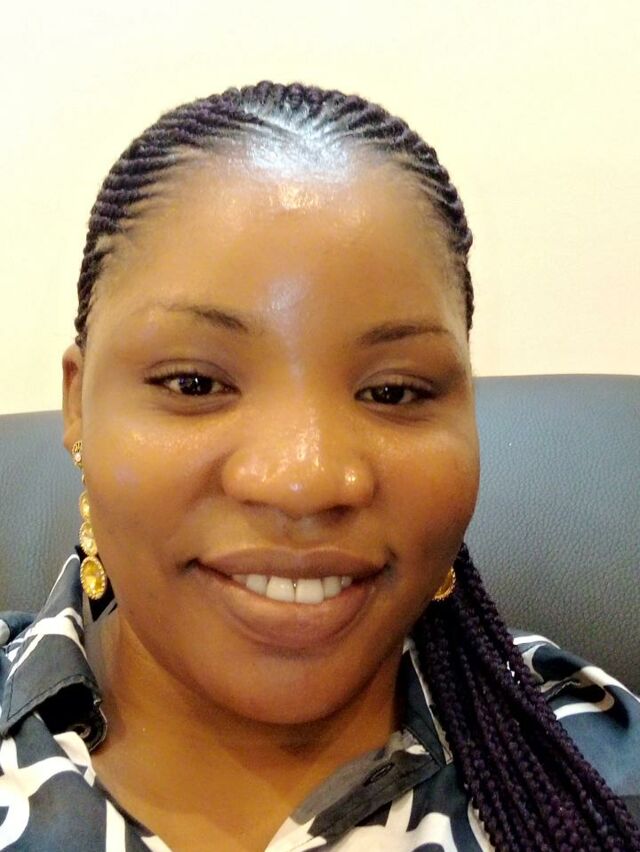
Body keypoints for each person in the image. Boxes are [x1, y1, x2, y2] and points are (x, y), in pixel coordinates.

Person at [0, 81, 638, 852]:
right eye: (195, 383)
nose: (303, 480)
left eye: (393, 391)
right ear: (78, 405)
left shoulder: (593, 775)